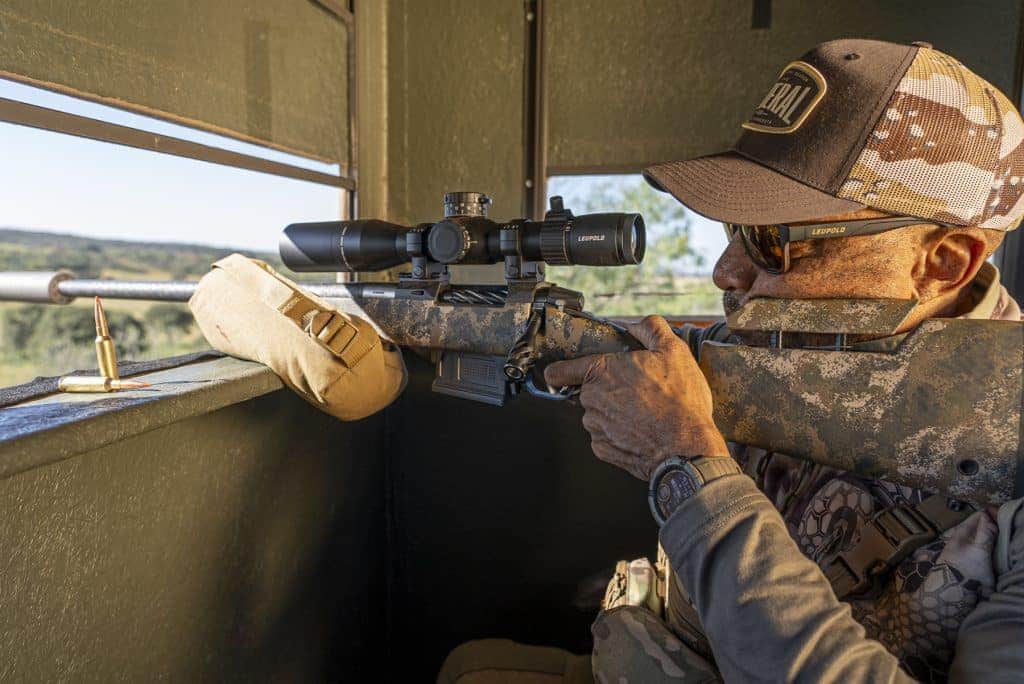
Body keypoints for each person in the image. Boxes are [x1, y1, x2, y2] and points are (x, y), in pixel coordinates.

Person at [439, 38, 1024, 683]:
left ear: (943, 262)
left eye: (772, 241)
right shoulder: (776, 348)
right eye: (733, 228)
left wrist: (688, 468)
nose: (727, 271)